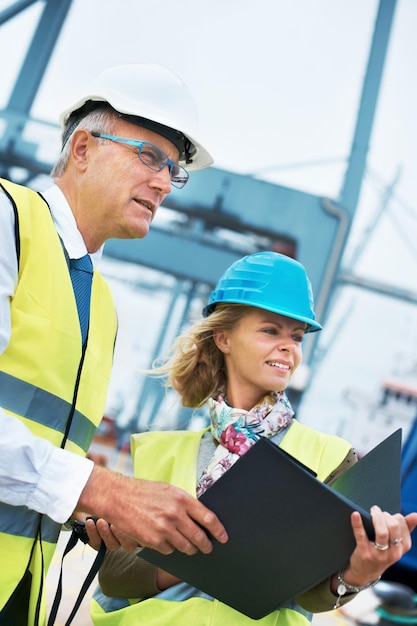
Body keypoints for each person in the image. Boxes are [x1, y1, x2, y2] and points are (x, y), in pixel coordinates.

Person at [0, 64, 228, 626]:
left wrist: (84, 511)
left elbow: (43, 455)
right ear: (82, 147)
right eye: (149, 156)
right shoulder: (7, 220)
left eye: (173, 171)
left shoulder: (101, 309)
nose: (163, 183)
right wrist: (102, 489)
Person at [88, 251, 417, 626]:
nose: (289, 347)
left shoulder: (333, 457)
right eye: (270, 330)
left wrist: (358, 574)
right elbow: (115, 575)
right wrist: (216, 555)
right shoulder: (161, 451)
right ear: (223, 337)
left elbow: (312, 590)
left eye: (296, 336)